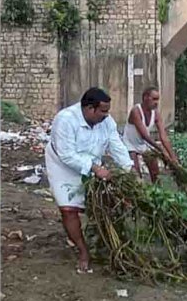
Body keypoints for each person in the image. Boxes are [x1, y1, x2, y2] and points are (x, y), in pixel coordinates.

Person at [45, 87, 134, 274]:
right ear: (88, 109)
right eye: (102, 111)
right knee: (69, 209)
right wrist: (95, 169)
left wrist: (129, 169)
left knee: (102, 203)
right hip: (62, 164)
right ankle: (83, 252)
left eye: (107, 111)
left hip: (92, 161)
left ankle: (101, 241)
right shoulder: (65, 120)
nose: (106, 115)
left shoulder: (106, 121)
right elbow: (67, 155)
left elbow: (116, 144)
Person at [122, 86, 179, 182]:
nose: (156, 102)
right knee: (136, 174)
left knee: (155, 171)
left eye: (158, 100)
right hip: (130, 144)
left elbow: (163, 137)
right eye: (154, 99)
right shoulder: (136, 111)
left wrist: (173, 157)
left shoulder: (156, 114)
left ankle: (156, 192)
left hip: (143, 144)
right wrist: (162, 151)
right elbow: (145, 135)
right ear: (145, 98)